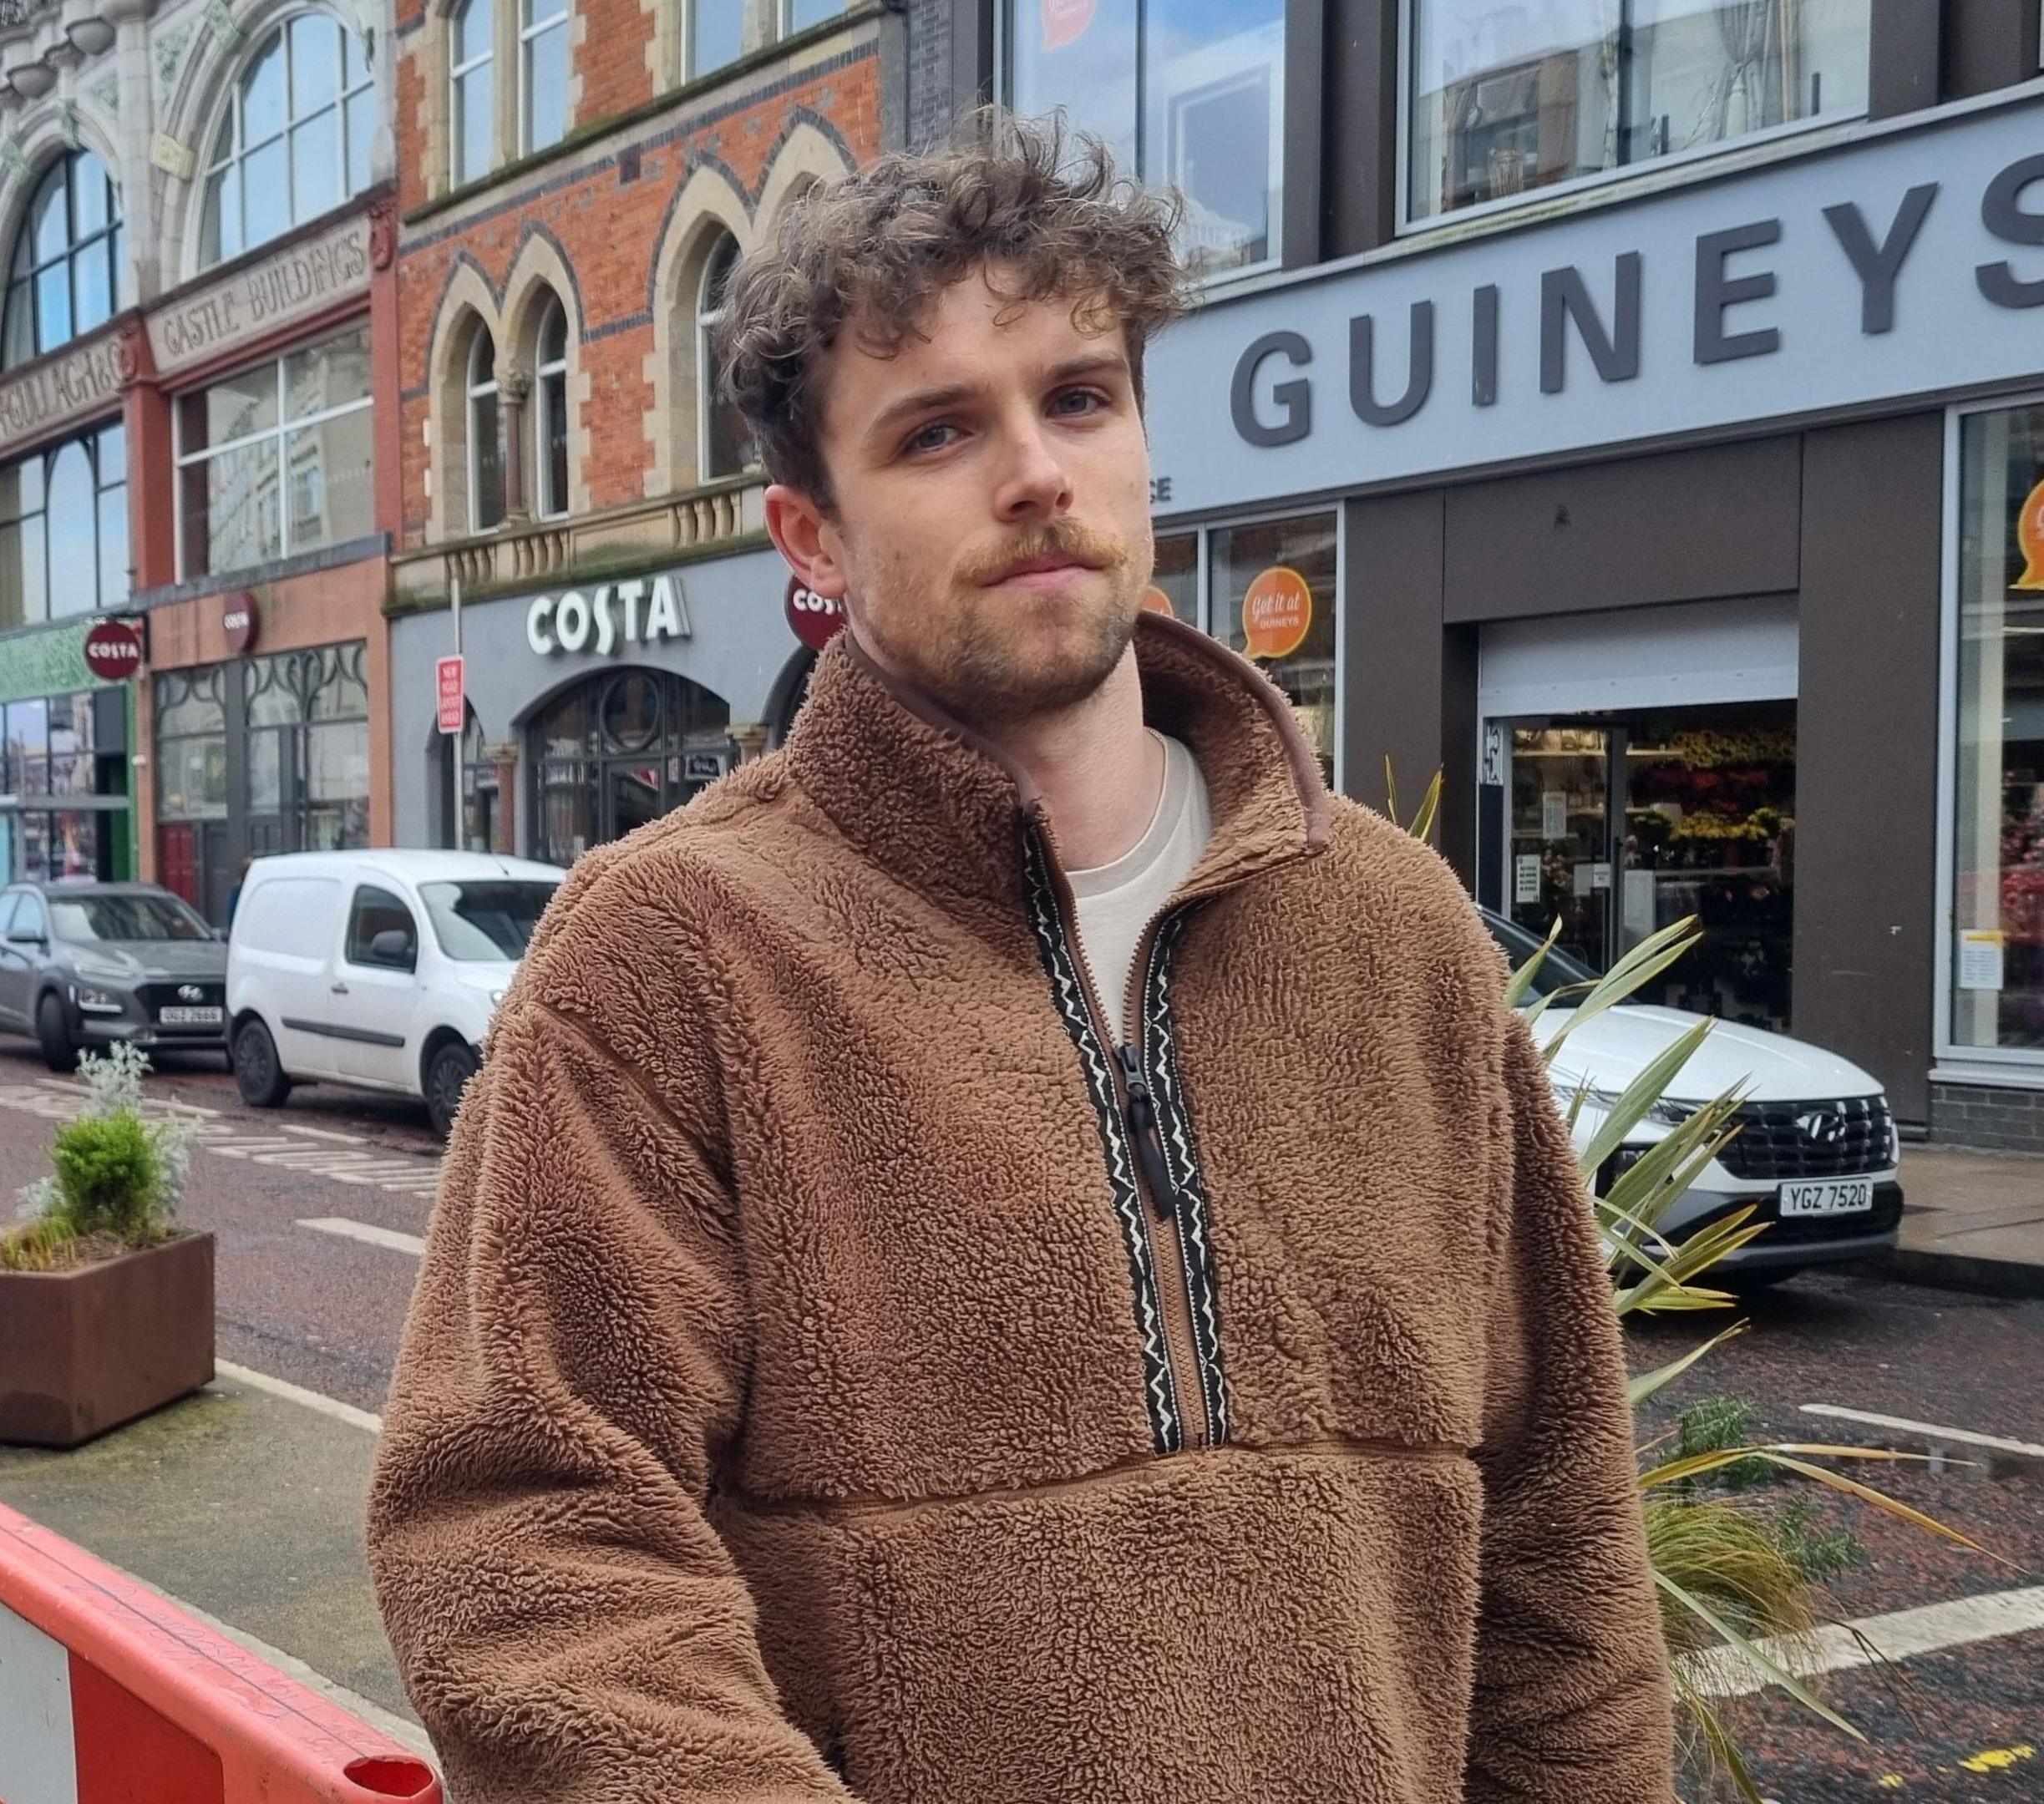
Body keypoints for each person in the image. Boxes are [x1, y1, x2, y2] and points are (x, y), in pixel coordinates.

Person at [364, 112, 1669, 1804]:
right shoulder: (674, 950)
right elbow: (531, 1549)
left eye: (1078, 397)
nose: (1036, 470)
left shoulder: (1398, 933)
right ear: (812, 541)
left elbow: (1558, 1539)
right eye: (934, 431)